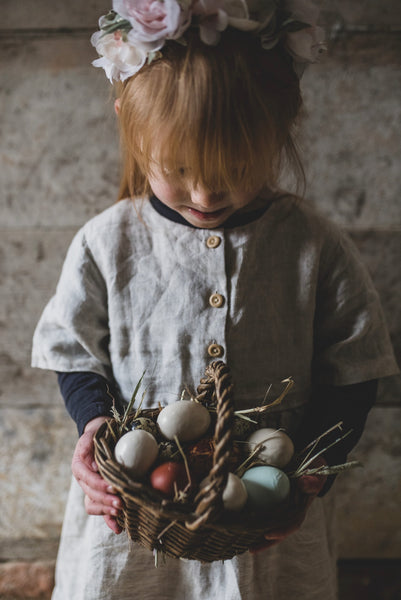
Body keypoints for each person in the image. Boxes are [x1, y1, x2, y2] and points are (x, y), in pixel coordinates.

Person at [31, 2, 398, 599]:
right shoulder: (107, 242)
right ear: (131, 121)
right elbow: (75, 352)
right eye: (178, 166)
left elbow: (354, 371)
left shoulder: (312, 244)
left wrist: (308, 473)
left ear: (281, 131)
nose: (204, 191)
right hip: (136, 511)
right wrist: (98, 432)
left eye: (234, 166)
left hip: (267, 517)